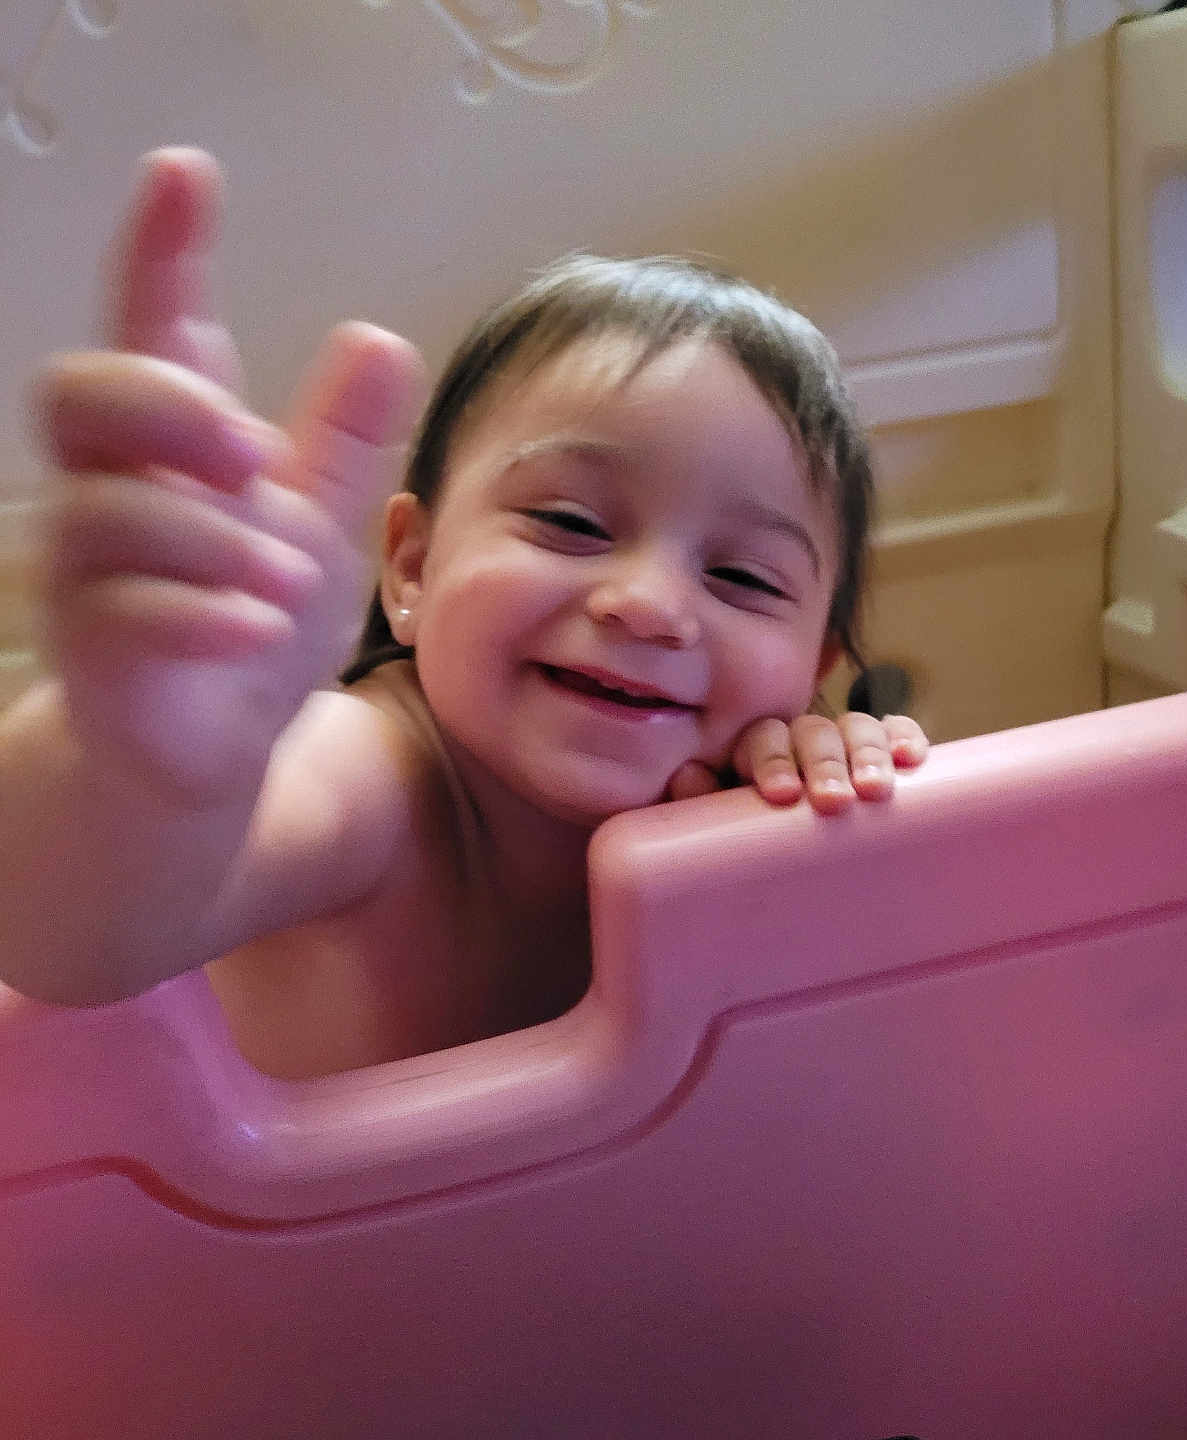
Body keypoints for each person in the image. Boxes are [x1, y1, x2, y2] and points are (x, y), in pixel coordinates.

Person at [0, 149, 927, 1079]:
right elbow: (61, 938)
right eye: (569, 523)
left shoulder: (752, 809)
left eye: (745, 579)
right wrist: (145, 779)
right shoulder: (370, 781)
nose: (648, 606)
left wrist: (843, 823)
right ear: (411, 567)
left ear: (813, 671)